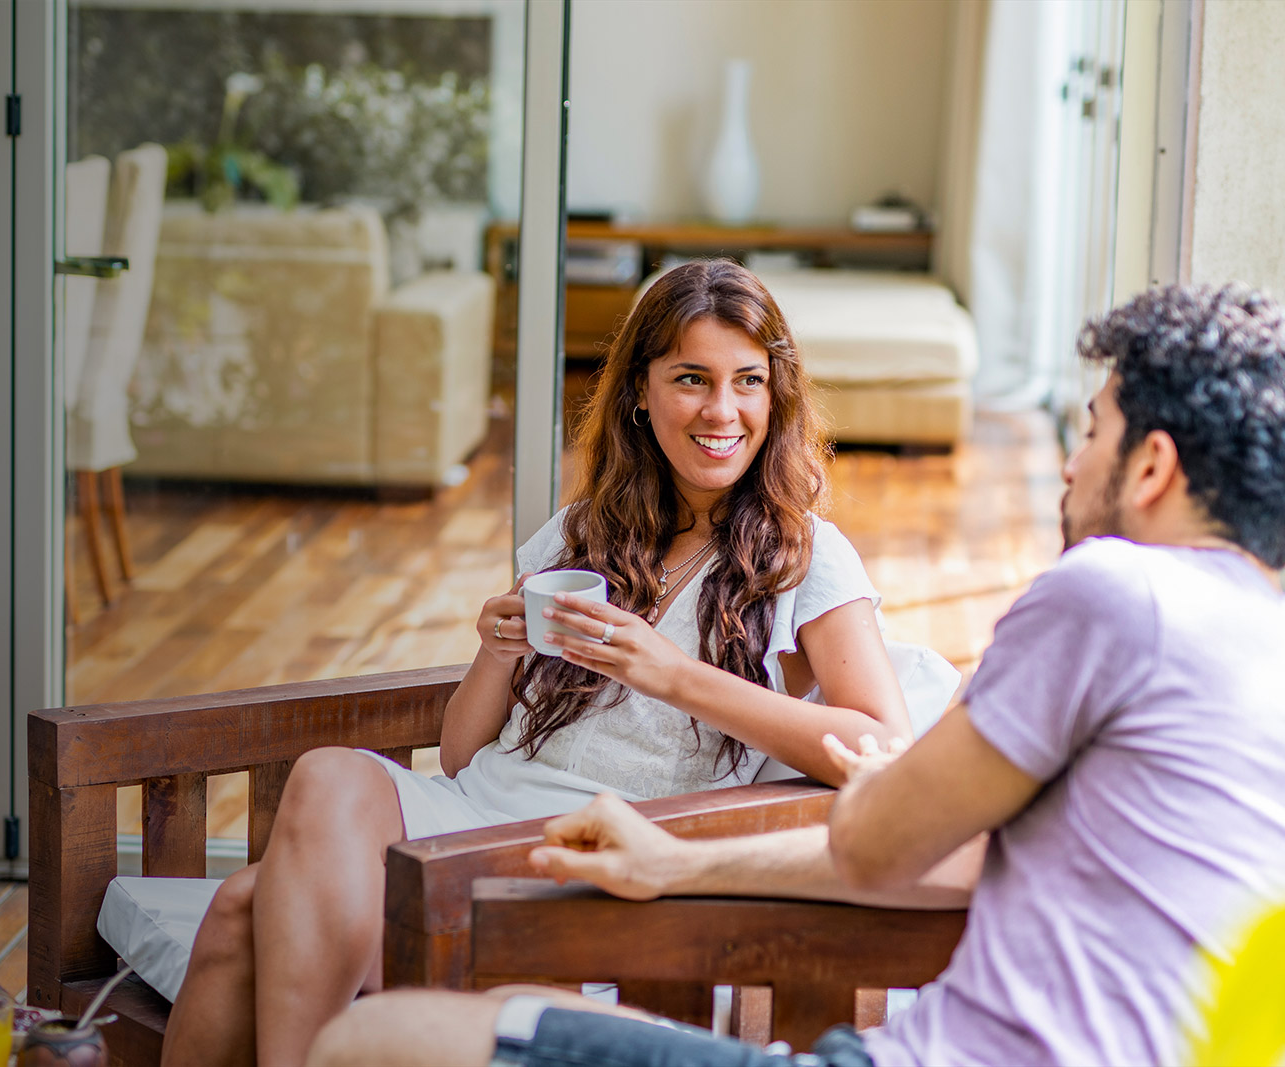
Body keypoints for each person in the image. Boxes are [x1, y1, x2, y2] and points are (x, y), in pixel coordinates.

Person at [303, 282, 1285, 1067]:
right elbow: (953, 857)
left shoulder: (1111, 592)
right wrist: (675, 860)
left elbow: (883, 829)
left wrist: (793, 790)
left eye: (1090, 429)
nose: (1066, 459)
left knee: (373, 1036)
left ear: (1150, 466)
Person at [162, 259, 914, 1066]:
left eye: (748, 381)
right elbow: (458, 755)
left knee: (246, 908)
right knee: (326, 774)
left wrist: (669, 671)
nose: (721, 410)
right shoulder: (580, 533)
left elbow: (883, 747)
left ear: (777, 394)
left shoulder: (805, 556)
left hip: (595, 854)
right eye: (692, 378)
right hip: (471, 820)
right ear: (640, 390)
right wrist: (496, 648)